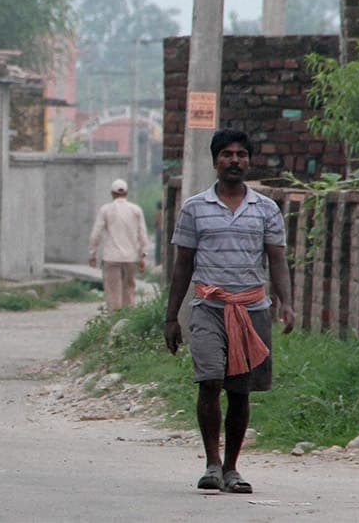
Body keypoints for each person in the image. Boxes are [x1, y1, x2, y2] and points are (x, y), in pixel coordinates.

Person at [163, 128, 295, 494]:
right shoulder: (195, 209)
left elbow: (277, 259)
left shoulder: (266, 209)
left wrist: (286, 302)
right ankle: (212, 463)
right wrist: (172, 316)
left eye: (241, 154)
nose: (234, 160)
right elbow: (182, 265)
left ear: (249, 161)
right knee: (210, 382)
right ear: (215, 161)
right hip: (208, 307)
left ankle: (233, 469)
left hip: (252, 309)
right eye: (227, 154)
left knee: (240, 391)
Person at [88, 178, 149, 311]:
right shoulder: (136, 210)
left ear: (112, 193)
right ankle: (127, 322)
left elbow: (96, 233)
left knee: (112, 293)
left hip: (111, 257)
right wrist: (143, 256)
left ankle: (114, 321)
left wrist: (92, 253)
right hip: (131, 258)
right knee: (129, 291)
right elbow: (143, 234)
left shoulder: (106, 210)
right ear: (126, 193)